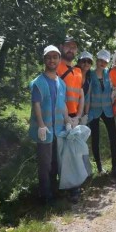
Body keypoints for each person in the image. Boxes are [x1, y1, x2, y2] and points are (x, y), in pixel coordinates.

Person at [29, 45, 69, 205]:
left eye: (55, 57)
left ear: (59, 59)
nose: (52, 60)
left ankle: (53, 190)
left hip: (58, 129)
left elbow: (63, 104)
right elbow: (36, 104)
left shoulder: (61, 83)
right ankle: (45, 195)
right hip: (44, 130)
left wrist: (67, 122)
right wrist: (40, 125)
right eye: (49, 57)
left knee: (55, 161)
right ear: (44, 60)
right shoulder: (38, 83)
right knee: (45, 163)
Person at [85, 50, 116, 177]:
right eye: (100, 60)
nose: (102, 63)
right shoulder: (90, 74)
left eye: (105, 61)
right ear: (97, 60)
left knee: (113, 137)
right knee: (95, 138)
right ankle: (99, 168)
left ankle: (115, 167)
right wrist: (86, 112)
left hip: (108, 110)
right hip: (94, 110)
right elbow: (87, 94)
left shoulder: (108, 74)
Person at [57, 36, 84, 126]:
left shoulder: (78, 71)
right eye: (68, 46)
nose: (71, 50)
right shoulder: (55, 68)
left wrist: (78, 117)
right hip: (59, 115)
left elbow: (81, 96)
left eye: (74, 47)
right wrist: (66, 118)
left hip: (74, 117)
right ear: (61, 47)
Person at [76, 52, 94, 126]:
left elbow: (87, 97)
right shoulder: (73, 74)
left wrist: (86, 114)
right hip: (71, 111)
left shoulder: (89, 78)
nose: (86, 63)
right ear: (79, 62)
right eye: (84, 61)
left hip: (81, 112)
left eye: (89, 61)